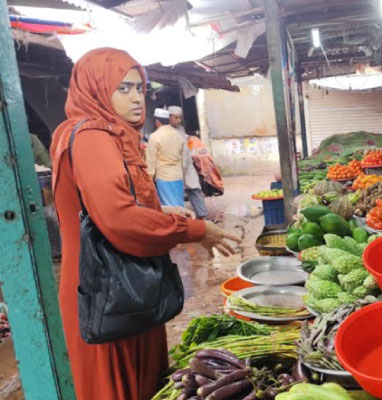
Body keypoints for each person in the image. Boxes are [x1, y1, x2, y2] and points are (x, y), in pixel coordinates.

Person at [50, 48, 242, 400]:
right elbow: (120, 221)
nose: (136, 98)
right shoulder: (93, 135)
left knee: (142, 383)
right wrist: (194, 230)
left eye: (140, 88)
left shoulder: (111, 134)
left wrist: (167, 215)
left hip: (124, 283)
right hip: (105, 287)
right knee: (118, 386)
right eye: (123, 89)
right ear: (94, 88)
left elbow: (109, 205)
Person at [168, 105, 209, 219]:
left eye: (180, 118)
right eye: (176, 118)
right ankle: (178, 218)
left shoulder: (181, 129)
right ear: (169, 117)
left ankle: (202, 215)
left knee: (195, 189)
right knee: (177, 193)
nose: (178, 120)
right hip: (175, 166)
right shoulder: (166, 131)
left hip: (187, 165)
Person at [146, 111, 186, 207]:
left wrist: (149, 178)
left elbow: (151, 161)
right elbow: (183, 159)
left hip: (164, 177)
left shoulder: (154, 137)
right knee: (179, 205)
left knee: (169, 208)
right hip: (178, 175)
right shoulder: (179, 135)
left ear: (156, 121)